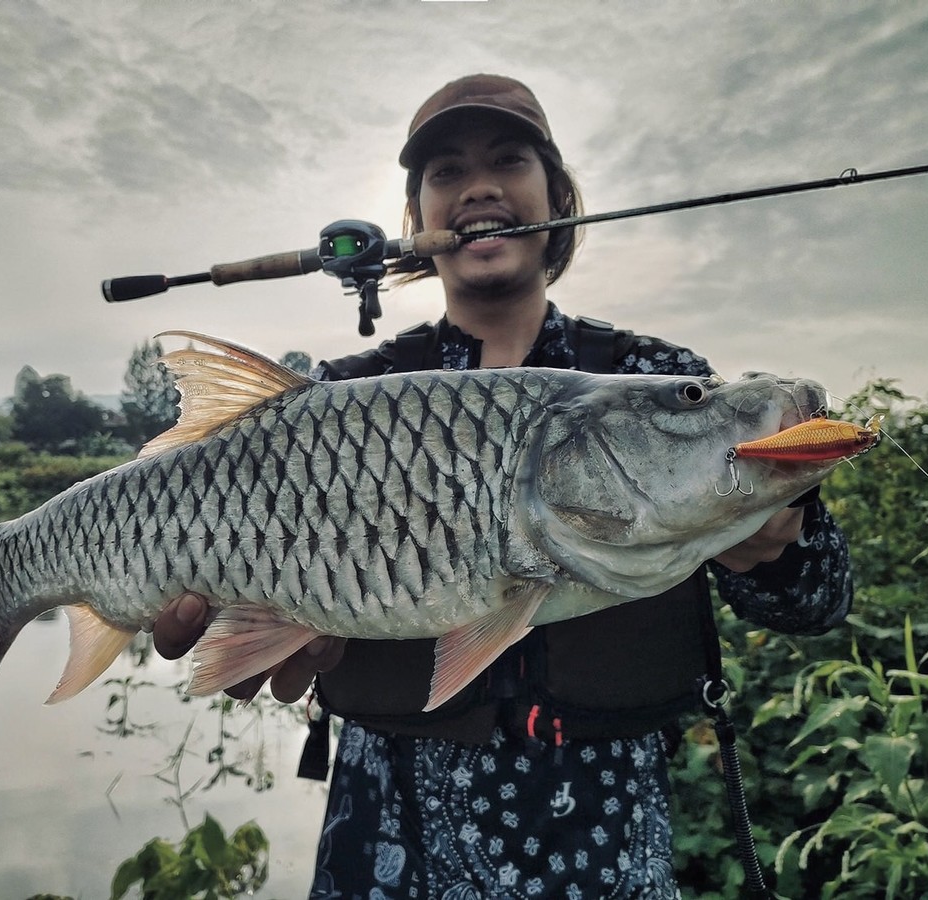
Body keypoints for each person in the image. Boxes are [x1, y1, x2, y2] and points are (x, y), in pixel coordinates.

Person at [153, 74, 852, 899]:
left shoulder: (659, 379)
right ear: (416, 221)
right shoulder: (343, 392)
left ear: (556, 195)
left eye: (509, 160)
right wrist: (264, 627)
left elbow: (816, 605)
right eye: (445, 172)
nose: (478, 185)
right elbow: (231, 623)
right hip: (388, 819)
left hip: (603, 820)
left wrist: (775, 539)